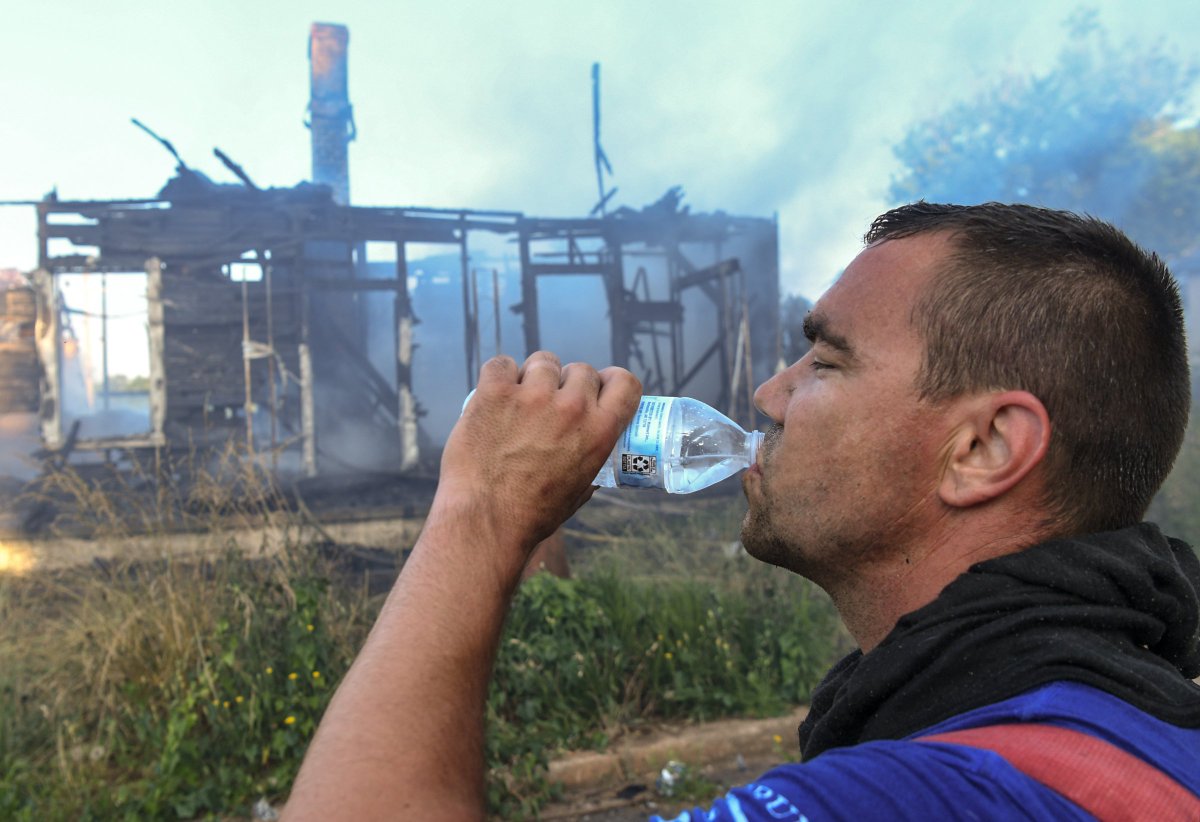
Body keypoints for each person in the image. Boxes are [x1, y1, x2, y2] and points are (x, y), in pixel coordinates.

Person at [282, 202, 1200, 820]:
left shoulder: (914, 795)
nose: (767, 393)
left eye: (827, 364)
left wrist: (477, 512)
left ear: (984, 449)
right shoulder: (1146, 726)